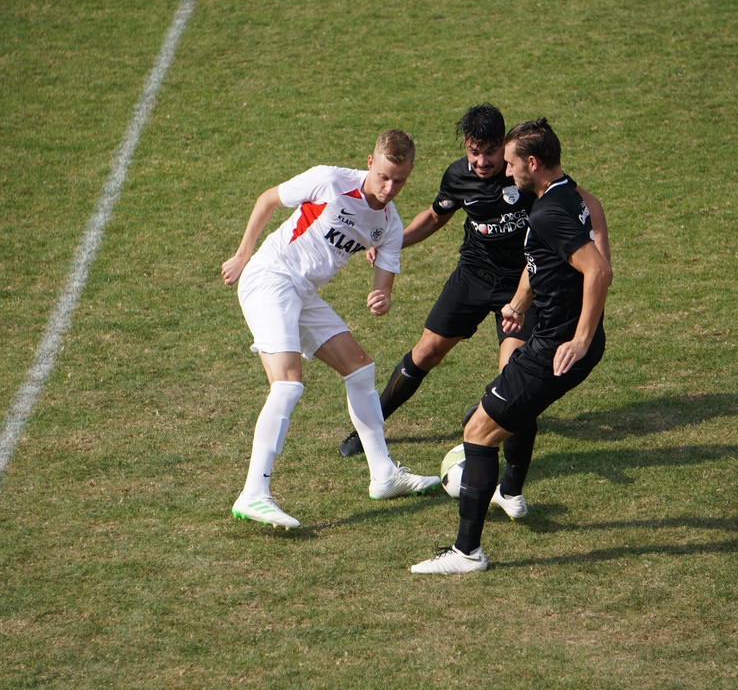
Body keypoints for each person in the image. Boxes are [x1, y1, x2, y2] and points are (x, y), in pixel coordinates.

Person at [337, 104, 609, 522]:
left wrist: (599, 248)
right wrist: (393, 242)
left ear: (505, 148)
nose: (481, 162)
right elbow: (435, 216)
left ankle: (511, 487)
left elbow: (584, 201)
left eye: (490, 152)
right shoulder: (458, 175)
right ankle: (369, 431)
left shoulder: (524, 173)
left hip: (521, 287)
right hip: (473, 277)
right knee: (425, 352)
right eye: (473, 152)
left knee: (513, 377)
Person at [411, 117, 612, 573]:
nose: (505, 170)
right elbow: (542, 261)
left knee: (477, 431)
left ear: (532, 163)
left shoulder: (546, 213)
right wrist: (520, 302)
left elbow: (599, 270)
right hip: (553, 337)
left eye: (511, 163)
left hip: (553, 347)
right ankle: (510, 492)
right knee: (499, 415)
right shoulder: (566, 194)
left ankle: (467, 553)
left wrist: (579, 339)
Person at [221, 129, 441, 531]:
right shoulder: (330, 181)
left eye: (400, 181)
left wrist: (382, 298)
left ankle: (383, 474)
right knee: (287, 384)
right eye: (384, 177)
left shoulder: (390, 225)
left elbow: (384, 284)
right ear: (370, 163)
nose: (389, 189)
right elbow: (268, 199)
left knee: (360, 368)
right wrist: (242, 254)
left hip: (302, 293)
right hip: (270, 277)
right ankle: (254, 492)